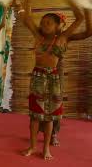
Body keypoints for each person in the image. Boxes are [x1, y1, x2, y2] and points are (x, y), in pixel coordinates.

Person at [21, 0, 83, 160]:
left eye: (48, 23)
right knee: (34, 117)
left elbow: (79, 19)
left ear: (57, 26)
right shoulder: (38, 37)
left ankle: (46, 148)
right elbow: (27, 18)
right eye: (43, 22)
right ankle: (33, 146)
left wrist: (72, 1)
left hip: (53, 80)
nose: (44, 24)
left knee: (49, 118)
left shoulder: (62, 38)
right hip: (37, 78)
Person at [38, 9, 92, 146]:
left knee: (55, 102)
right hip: (40, 73)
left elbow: (88, 32)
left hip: (57, 73)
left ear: (61, 26)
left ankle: (54, 133)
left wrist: (86, 11)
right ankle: (40, 129)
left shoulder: (65, 38)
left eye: (61, 23)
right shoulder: (42, 36)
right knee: (39, 101)